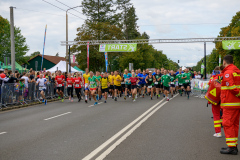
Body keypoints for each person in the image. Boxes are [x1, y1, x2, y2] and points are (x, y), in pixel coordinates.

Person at [220, 55, 240, 155]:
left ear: (224, 62)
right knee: (235, 124)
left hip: (229, 103)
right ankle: (234, 145)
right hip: (236, 103)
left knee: (227, 124)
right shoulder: (237, 71)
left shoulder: (228, 72)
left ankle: (231, 147)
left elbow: (232, 87)